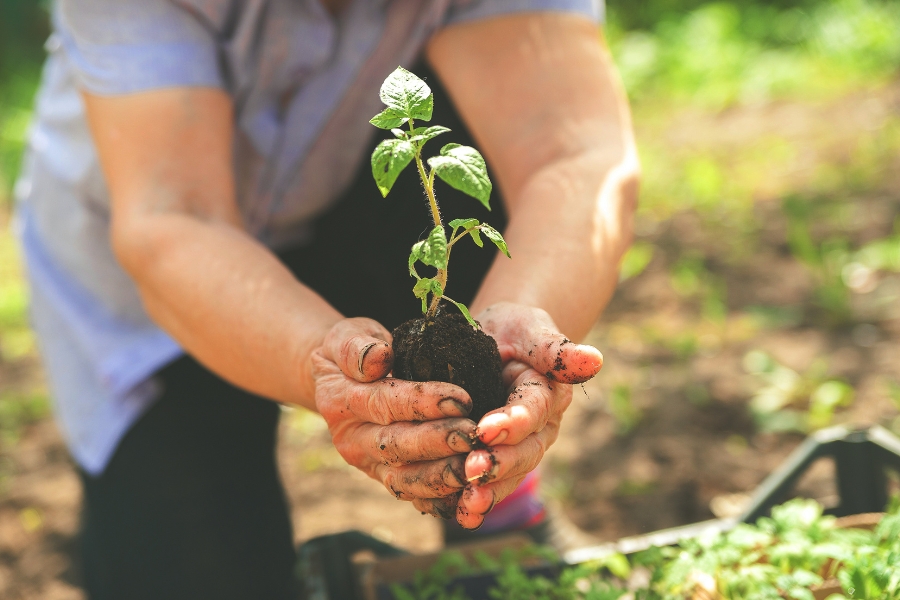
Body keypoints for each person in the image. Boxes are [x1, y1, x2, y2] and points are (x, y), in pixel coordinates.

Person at [15, 0, 638, 597]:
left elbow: (571, 154)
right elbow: (175, 217)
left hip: (339, 204)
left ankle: (491, 488)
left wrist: (524, 323)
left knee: (472, 139)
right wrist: (324, 365)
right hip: (150, 276)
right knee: (193, 570)